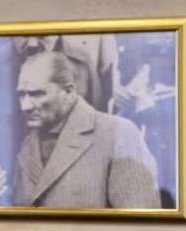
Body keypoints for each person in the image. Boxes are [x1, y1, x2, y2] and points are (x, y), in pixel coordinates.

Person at [12, 51, 160, 208]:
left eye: (36, 94)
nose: (25, 106)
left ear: (68, 93)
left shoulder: (118, 133)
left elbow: (140, 218)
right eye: (22, 95)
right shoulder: (27, 145)